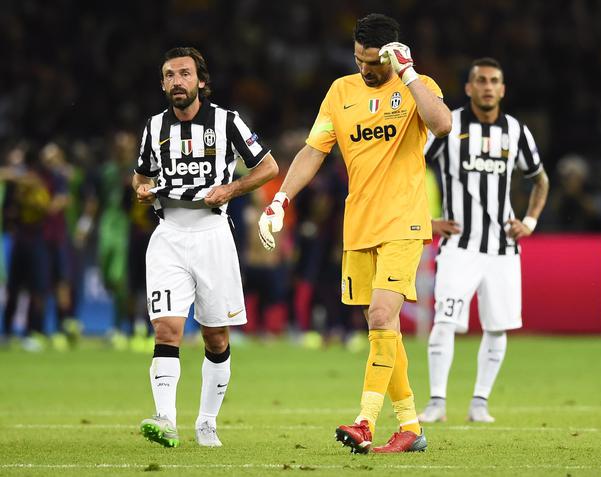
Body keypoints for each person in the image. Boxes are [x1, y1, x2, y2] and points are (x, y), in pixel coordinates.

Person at [258, 13, 451, 453]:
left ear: (391, 54)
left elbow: (442, 125)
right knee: (382, 327)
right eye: (359, 60)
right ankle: (411, 427)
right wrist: (280, 200)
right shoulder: (340, 92)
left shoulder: (416, 86)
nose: (365, 69)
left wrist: (409, 73)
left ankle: (365, 421)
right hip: (358, 225)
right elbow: (314, 150)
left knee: (382, 317)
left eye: (373, 63)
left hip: (404, 220)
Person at [134, 47, 278, 448]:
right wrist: (143, 191)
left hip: (213, 235)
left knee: (216, 337)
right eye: (169, 75)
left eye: (184, 74)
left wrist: (231, 188)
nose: (176, 81)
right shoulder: (153, 127)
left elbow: (269, 167)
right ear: (162, 83)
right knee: (167, 326)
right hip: (168, 235)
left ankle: (207, 422)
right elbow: (140, 176)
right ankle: (165, 419)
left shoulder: (227, 121)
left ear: (201, 81)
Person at [418, 58, 549, 424]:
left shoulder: (516, 131)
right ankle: (437, 403)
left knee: (497, 325)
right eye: (481, 81)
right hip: (460, 245)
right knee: (444, 323)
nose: (488, 87)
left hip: (504, 248)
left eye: (494, 81)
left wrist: (530, 221)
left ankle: (479, 404)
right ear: (469, 88)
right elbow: (411, 168)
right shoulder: (450, 125)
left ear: (502, 89)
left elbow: (540, 179)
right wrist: (426, 220)